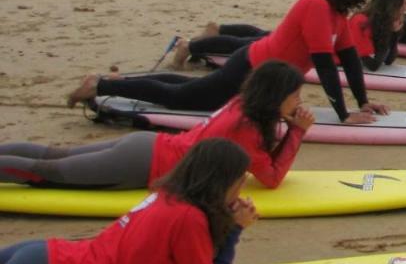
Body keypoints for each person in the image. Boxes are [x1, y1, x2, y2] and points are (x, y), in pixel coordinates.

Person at [68, 0, 386, 123]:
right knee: (185, 99)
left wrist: (362, 102)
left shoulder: (336, 11)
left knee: (186, 89)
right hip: (250, 71)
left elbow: (347, 60)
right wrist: (344, 116)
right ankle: (101, 86)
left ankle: (116, 80)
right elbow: (325, 68)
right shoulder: (318, 6)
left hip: (266, 75)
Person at [0, 138, 258, 264]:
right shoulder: (189, 219)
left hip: (45, 256)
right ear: (221, 182)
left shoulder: (167, 195)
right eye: (239, 181)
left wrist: (223, 219)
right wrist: (234, 230)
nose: (241, 187)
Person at [2, 61, 312, 189]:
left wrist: (288, 123)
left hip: (146, 147)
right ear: (275, 96)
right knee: (47, 174)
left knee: (54, 156)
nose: (298, 101)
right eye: (294, 94)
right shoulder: (247, 129)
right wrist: (297, 131)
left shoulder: (242, 105)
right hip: (143, 164)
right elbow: (270, 178)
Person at [175, 0, 406, 73]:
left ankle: (219, 29)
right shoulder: (361, 22)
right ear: (389, 4)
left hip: (308, 44)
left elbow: (388, 60)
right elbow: (372, 64)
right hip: (307, 49)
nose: (405, 8)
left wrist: (393, 35)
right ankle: (191, 45)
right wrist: (391, 35)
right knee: (249, 43)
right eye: (403, 4)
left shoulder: (381, 24)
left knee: (259, 34)